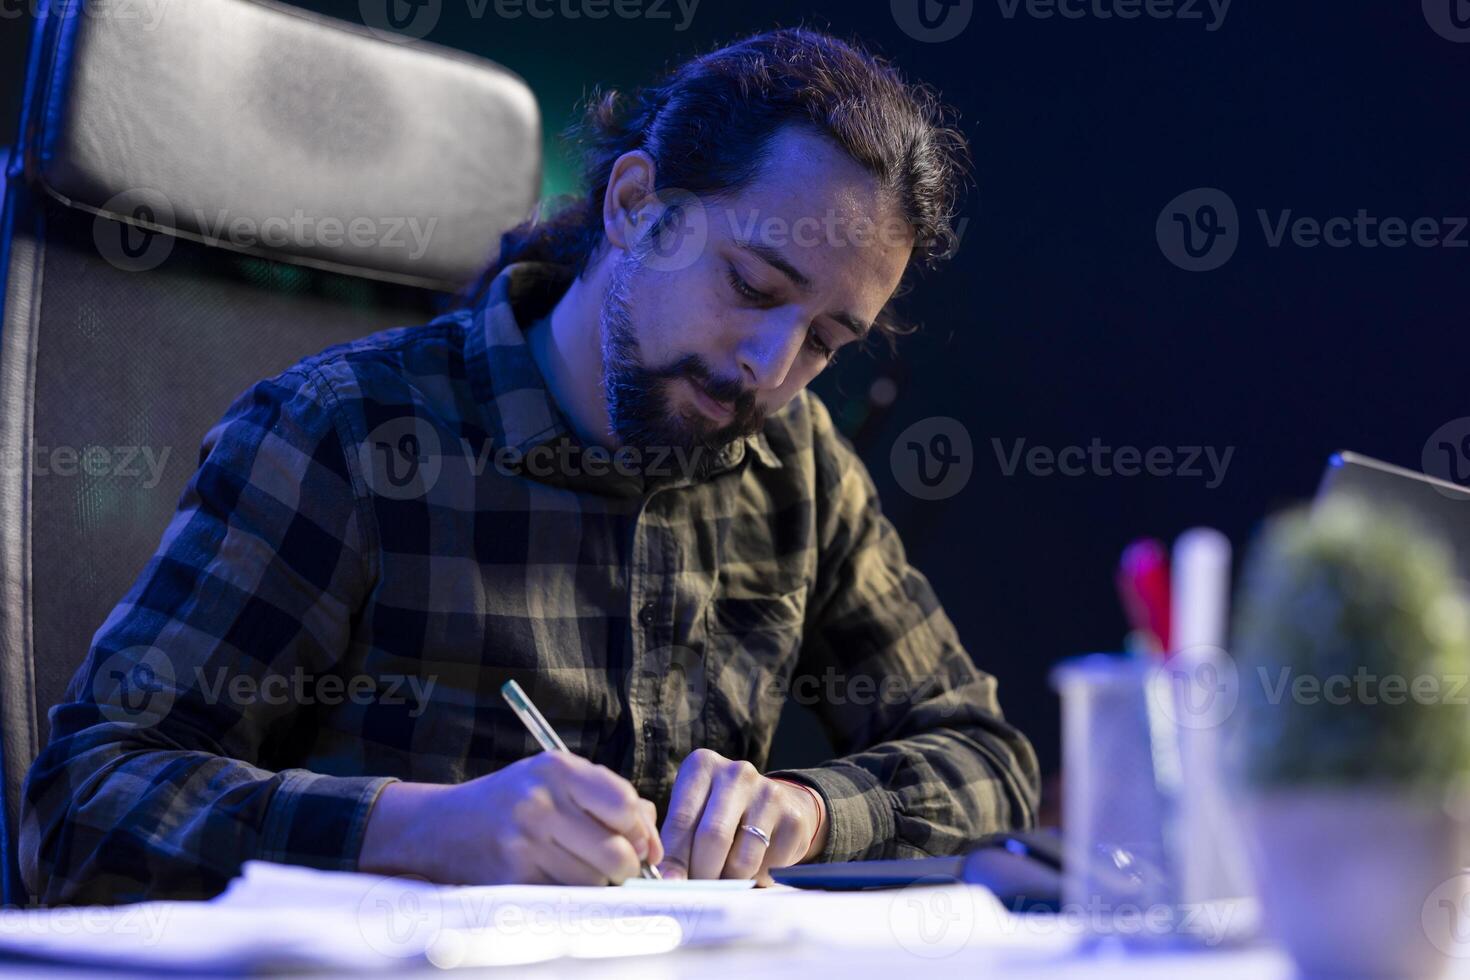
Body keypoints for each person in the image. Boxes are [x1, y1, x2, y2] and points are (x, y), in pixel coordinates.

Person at [22, 28, 1039, 904]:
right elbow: (78, 806)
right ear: (637, 206)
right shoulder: (344, 433)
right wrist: (418, 831)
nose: (769, 368)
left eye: (826, 339)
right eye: (750, 282)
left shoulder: (794, 462)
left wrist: (807, 810)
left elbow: (988, 758)